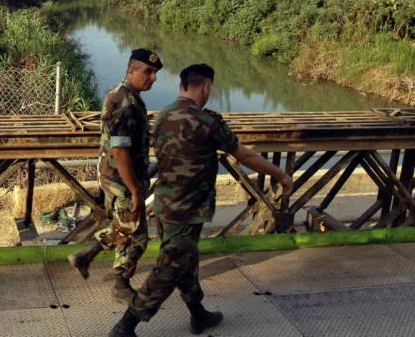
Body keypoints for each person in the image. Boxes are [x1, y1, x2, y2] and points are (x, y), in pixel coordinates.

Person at [109, 63, 294, 336]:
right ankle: (126, 326)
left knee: (186, 260)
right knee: (169, 268)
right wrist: (282, 175)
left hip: (164, 204)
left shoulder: (163, 116)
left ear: (181, 85)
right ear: (206, 87)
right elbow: (245, 156)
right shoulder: (208, 121)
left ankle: (198, 315)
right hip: (188, 208)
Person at [68, 48, 162, 304]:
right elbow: (120, 151)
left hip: (114, 175)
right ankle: (120, 283)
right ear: (131, 70)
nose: (152, 78)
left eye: (154, 73)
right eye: (148, 72)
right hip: (122, 179)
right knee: (138, 235)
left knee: (124, 225)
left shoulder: (123, 94)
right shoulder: (125, 103)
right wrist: (134, 190)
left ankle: (85, 257)